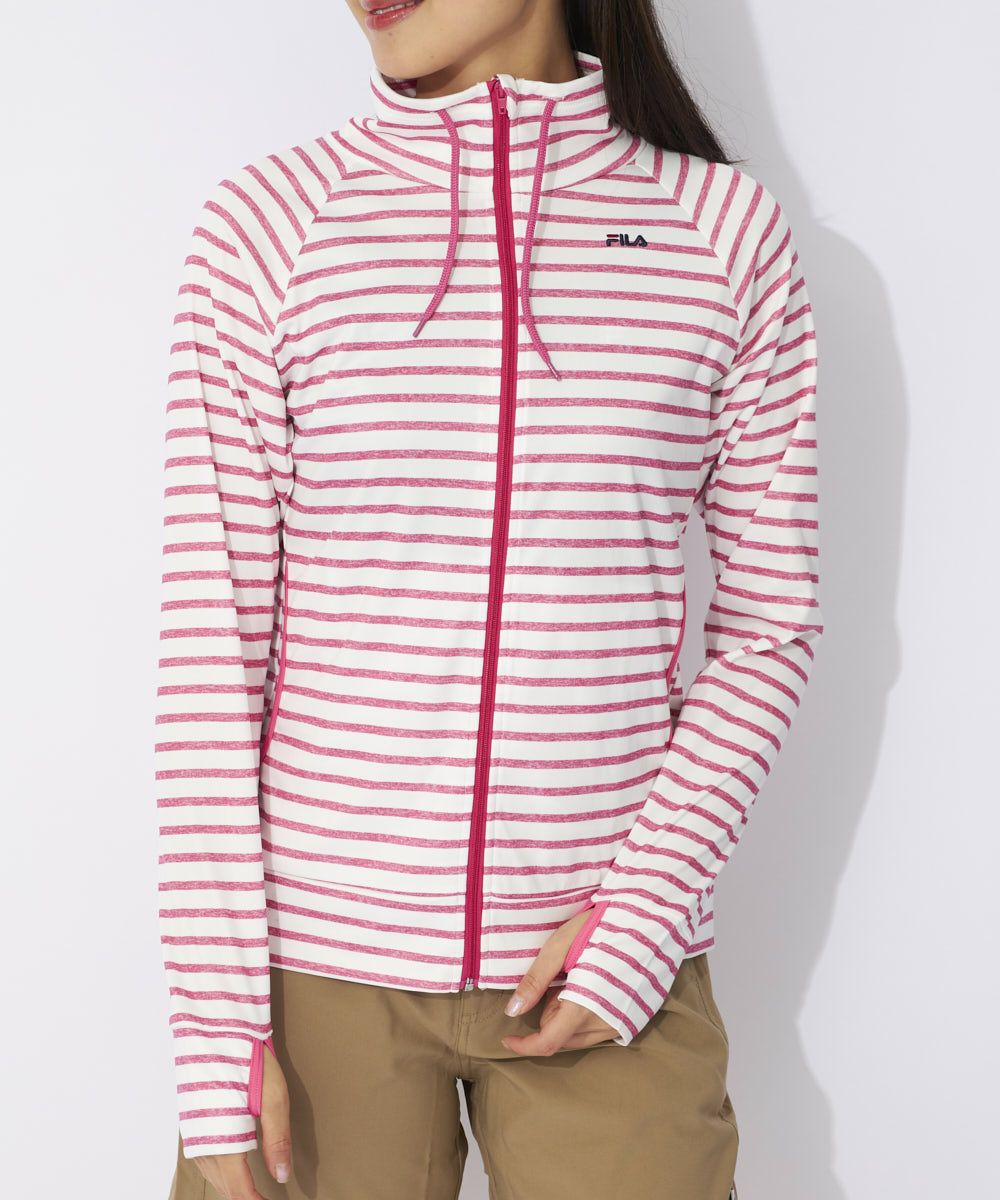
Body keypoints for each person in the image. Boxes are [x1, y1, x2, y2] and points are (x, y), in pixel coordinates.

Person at [156, 0, 824, 1196]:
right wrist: (217, 1034)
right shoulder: (269, 227)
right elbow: (214, 652)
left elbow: (769, 624)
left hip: (604, 962)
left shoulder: (722, 234)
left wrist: (641, 917)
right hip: (316, 976)